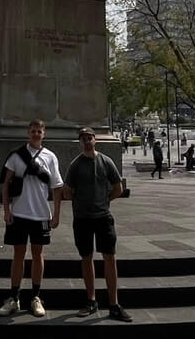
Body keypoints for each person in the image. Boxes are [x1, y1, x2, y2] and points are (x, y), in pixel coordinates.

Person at [63, 128, 132, 322]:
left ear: (95, 140)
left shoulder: (106, 161)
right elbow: (67, 191)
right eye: (83, 139)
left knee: (109, 258)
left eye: (89, 138)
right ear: (80, 142)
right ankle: (91, 300)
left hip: (103, 216)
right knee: (87, 258)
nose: (87, 141)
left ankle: (114, 303)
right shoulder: (75, 165)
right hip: (83, 218)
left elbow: (118, 188)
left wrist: (104, 200)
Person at [0, 120, 64, 318]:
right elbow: (6, 184)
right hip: (19, 213)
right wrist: (6, 210)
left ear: (44, 134)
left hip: (41, 214)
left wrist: (57, 213)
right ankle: (14, 298)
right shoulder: (17, 156)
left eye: (39, 131)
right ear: (28, 133)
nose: (36, 134)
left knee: (37, 254)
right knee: (18, 255)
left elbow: (57, 187)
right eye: (33, 131)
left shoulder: (50, 157)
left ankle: (35, 297)